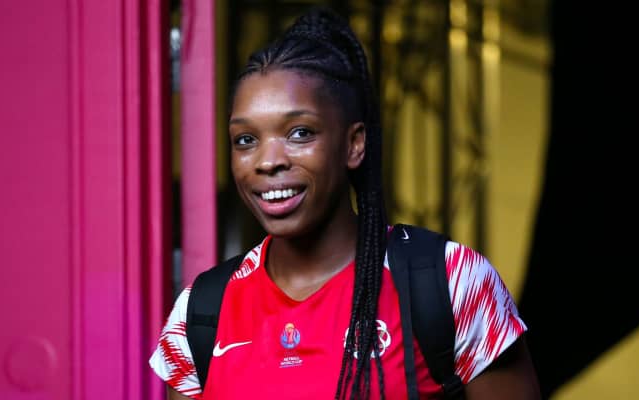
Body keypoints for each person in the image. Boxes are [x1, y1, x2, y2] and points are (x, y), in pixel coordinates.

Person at [149, 7, 540, 400]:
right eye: (246, 140)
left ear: (354, 144)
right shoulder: (200, 313)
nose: (268, 162)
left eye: (300, 133)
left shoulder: (452, 282)